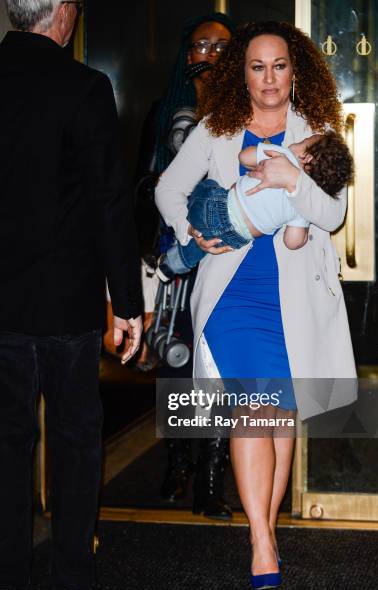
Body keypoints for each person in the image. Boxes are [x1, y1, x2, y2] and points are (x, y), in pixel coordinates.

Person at [156, 20, 357, 589]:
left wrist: (294, 181)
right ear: (241, 74)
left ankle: (266, 525)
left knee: (280, 414)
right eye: (257, 67)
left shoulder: (315, 130)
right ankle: (261, 540)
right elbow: (167, 189)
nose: (269, 79)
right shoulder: (217, 130)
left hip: (292, 296)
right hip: (232, 297)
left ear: (296, 72)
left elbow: (335, 215)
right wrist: (192, 232)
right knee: (256, 411)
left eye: (280, 66)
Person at [0, 1, 143, 590]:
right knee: (77, 440)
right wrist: (128, 303)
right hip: (65, 303)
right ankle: (70, 580)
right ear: (61, 14)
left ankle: (7, 578)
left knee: (5, 446)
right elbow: (110, 200)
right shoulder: (85, 87)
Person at [145, 13, 236, 519]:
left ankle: (211, 479)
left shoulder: (246, 115)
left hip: (225, 255)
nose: (209, 55)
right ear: (186, 54)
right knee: (176, 366)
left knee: (219, 365)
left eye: (222, 48)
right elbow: (142, 185)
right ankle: (178, 462)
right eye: (200, 45)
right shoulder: (164, 113)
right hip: (176, 255)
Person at [157, 132, 353, 280]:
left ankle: (177, 253)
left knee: (208, 187)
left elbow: (244, 157)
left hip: (215, 206)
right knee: (203, 246)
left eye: (303, 142)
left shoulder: (283, 156)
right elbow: (292, 242)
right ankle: (170, 266)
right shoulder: (301, 208)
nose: (298, 142)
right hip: (236, 238)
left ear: (306, 157)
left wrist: (262, 155)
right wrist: (303, 234)